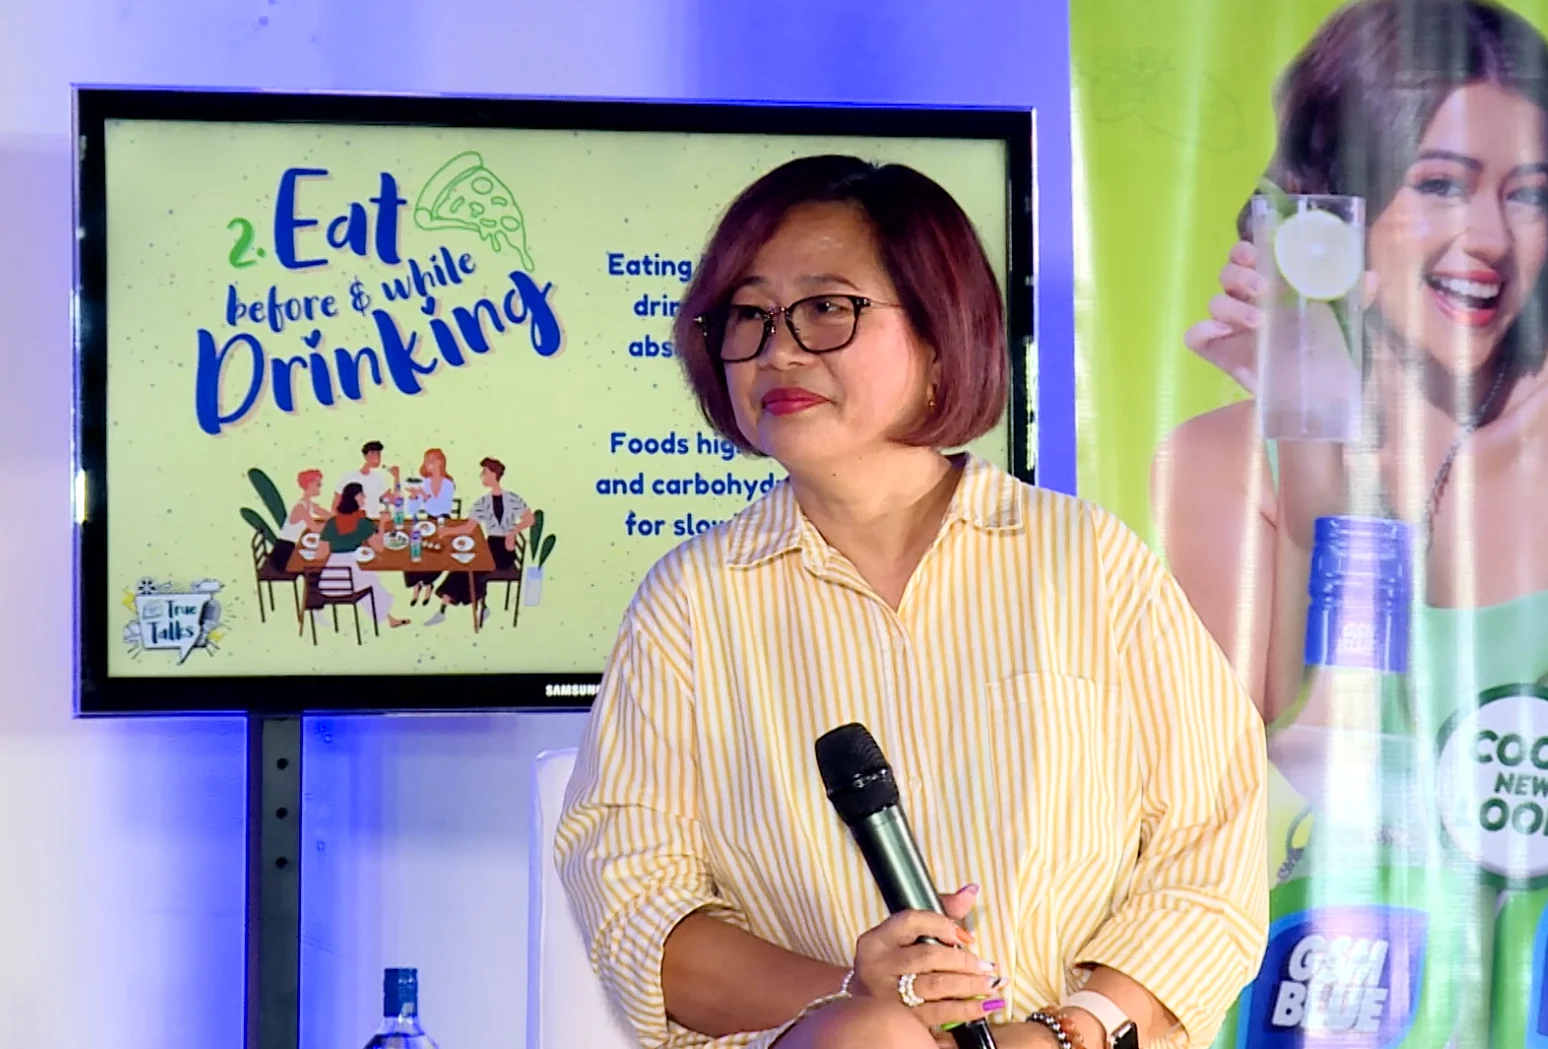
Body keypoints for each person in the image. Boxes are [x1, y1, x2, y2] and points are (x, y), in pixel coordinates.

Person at [555, 155, 1266, 1049]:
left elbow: (1212, 851)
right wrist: (859, 1000)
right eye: (748, 314)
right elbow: (634, 908)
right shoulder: (690, 603)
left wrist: (1068, 1031)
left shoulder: (1086, 560)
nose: (779, 349)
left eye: (826, 308)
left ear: (938, 336)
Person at [1154, 0, 1548, 825]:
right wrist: (1311, 443)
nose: (1490, 239)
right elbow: (1273, 804)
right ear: (1333, 201)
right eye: (1440, 184)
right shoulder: (1211, 463)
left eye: (1528, 195)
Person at [425, 457, 532, 626]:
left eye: (484, 472)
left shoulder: (512, 499)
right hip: (490, 545)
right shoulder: (483, 502)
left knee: (470, 569)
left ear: (494, 474)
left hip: (506, 551)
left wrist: (514, 531)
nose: (482, 476)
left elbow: (530, 519)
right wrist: (447, 531)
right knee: (463, 567)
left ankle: (456, 608)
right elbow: (468, 527)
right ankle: (463, 608)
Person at [315, 483, 409, 629]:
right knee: (373, 583)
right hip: (351, 577)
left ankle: (389, 619)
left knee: (372, 582)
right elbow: (379, 547)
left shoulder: (332, 523)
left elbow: (320, 554)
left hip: (330, 581)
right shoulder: (363, 523)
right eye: (361, 495)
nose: (364, 497)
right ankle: (389, 619)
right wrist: (382, 523)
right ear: (354, 499)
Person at [403, 448, 458, 606]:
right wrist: (414, 497)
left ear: (440, 462)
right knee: (413, 549)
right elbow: (411, 511)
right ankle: (416, 584)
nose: (428, 465)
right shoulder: (424, 483)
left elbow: (441, 507)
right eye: (427, 461)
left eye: (431, 461)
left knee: (438, 552)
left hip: (444, 522)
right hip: (428, 522)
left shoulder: (448, 484)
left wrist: (425, 496)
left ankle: (427, 583)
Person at [271, 468, 330, 568]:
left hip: (295, 546)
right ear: (309, 485)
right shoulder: (300, 507)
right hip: (285, 552)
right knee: (319, 562)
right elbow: (315, 528)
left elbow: (325, 514)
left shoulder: (309, 503)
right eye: (318, 484)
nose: (320, 486)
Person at [339, 439, 399, 510]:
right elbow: (336, 505)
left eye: (378, 454)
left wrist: (396, 477)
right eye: (372, 453)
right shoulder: (350, 476)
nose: (376, 457)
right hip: (356, 516)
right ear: (365, 456)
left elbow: (396, 501)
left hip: (374, 517)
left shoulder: (379, 478)